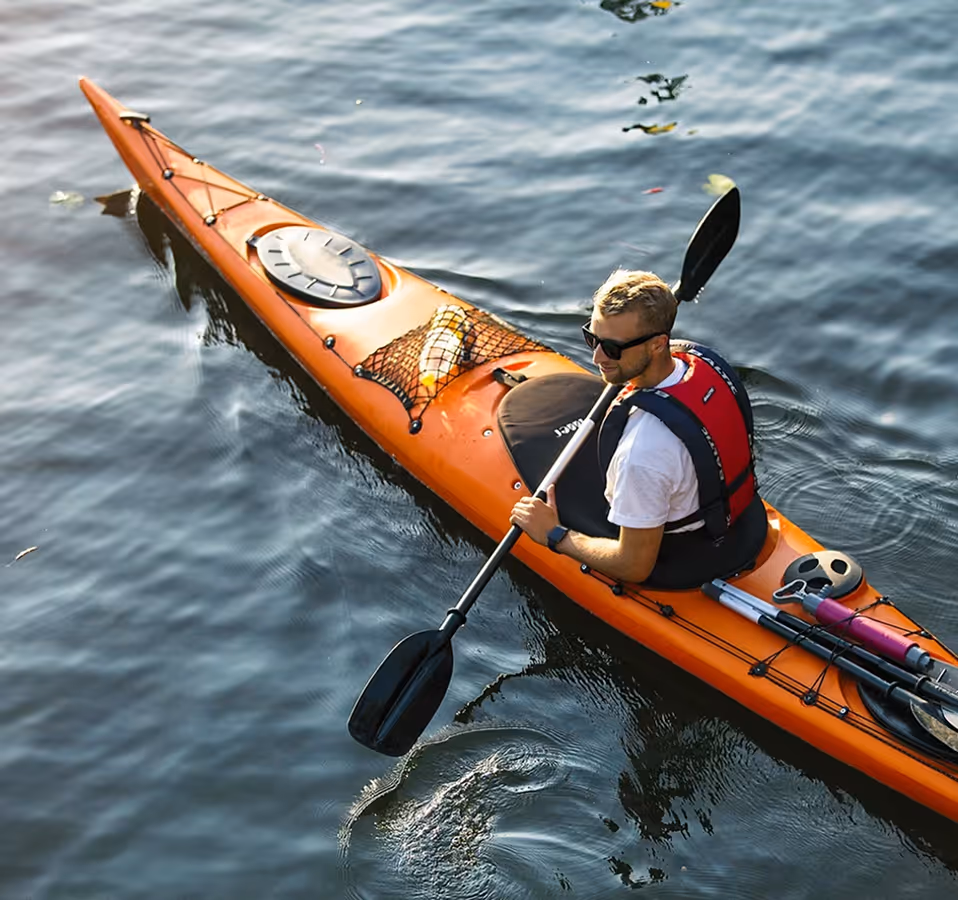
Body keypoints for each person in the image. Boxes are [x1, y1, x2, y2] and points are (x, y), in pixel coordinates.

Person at [509, 269, 762, 587]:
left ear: (657, 345)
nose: (597, 356)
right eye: (593, 338)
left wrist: (555, 534)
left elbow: (634, 566)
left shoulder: (641, 454)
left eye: (613, 348)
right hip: (742, 523)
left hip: (677, 555)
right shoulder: (699, 364)